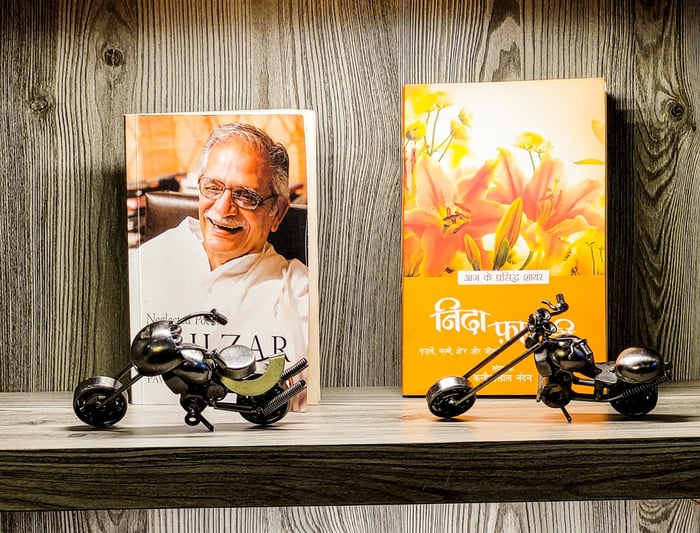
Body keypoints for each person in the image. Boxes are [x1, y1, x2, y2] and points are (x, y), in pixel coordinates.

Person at [128, 122, 309, 408]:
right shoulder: (144, 261)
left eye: (246, 196)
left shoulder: (299, 290)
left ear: (277, 211)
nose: (222, 209)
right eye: (213, 188)